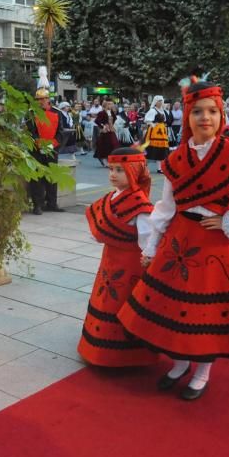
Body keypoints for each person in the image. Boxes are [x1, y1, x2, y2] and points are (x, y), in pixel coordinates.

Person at [117, 76, 229, 400]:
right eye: (197, 112)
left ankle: (202, 372)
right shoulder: (176, 160)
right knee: (173, 311)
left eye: (212, 111)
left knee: (204, 315)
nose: (205, 118)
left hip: (215, 244)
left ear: (221, 116)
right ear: (187, 117)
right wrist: (151, 245)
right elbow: (165, 207)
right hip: (179, 240)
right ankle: (179, 364)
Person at [79, 147, 157, 367]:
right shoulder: (113, 196)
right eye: (111, 169)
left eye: (120, 170)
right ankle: (96, 348)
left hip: (130, 263)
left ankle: (123, 356)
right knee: (105, 298)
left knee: (120, 301)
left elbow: (147, 237)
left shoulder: (140, 204)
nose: (112, 174)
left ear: (134, 171)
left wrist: (149, 257)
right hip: (110, 258)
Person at [27, 67, 66, 214]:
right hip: (36, 150)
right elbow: (31, 133)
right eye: (38, 99)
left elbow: (60, 133)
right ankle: (37, 205)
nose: (41, 101)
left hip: (52, 149)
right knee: (36, 179)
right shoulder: (31, 114)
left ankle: (52, 203)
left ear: (48, 99)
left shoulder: (57, 113)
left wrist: (52, 145)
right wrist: (39, 144)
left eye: (43, 99)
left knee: (52, 177)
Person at [142, 95, 169, 173]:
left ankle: (159, 168)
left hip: (162, 131)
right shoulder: (153, 110)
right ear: (155, 102)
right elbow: (146, 119)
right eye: (159, 101)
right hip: (154, 132)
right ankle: (144, 166)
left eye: (161, 101)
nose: (160, 103)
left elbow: (164, 120)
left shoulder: (162, 110)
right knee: (151, 149)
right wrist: (152, 124)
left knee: (161, 150)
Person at [93, 100, 120, 167]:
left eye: (112, 104)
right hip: (105, 131)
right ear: (105, 105)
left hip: (111, 130)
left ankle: (111, 159)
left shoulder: (112, 112)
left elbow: (114, 119)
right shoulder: (101, 113)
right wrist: (103, 126)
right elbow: (97, 121)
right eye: (110, 104)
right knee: (105, 145)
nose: (111, 106)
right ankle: (104, 159)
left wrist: (111, 125)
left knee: (114, 144)